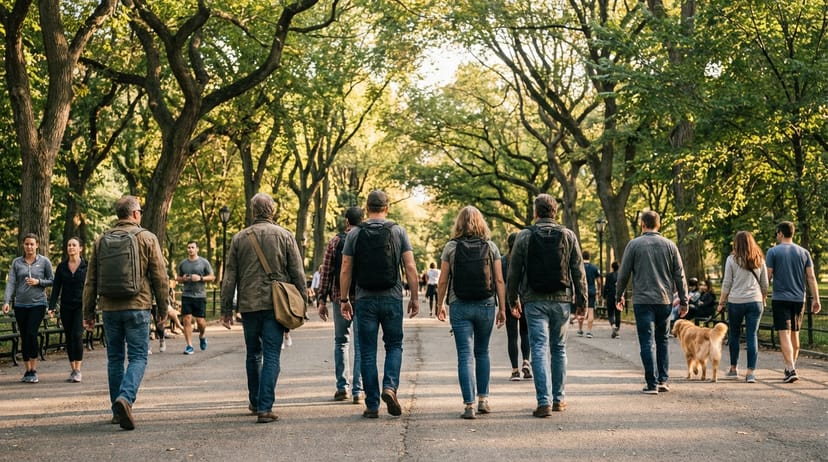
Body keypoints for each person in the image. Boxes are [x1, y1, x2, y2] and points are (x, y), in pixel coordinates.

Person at [220, 193, 307, 423]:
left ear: (252, 212)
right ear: (273, 211)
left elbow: (229, 276)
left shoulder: (239, 238)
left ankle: (255, 401)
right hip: (276, 304)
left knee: (252, 354)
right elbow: (297, 273)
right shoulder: (285, 236)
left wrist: (226, 308)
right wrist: (302, 303)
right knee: (271, 354)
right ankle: (265, 407)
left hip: (248, 305)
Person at [83, 196, 169, 430]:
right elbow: (160, 276)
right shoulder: (147, 238)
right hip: (138, 306)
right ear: (135, 214)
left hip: (109, 308)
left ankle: (116, 411)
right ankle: (125, 398)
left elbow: (91, 280)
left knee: (115, 359)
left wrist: (88, 312)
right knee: (139, 356)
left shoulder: (101, 240)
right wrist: (162, 308)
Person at [339, 190, 420, 419]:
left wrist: (344, 299)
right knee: (394, 345)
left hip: (364, 299)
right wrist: (414, 297)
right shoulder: (397, 231)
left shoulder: (355, 233)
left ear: (367, 207)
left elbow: (346, 267)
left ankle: (372, 404)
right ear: (387, 207)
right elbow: (411, 267)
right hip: (392, 297)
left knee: (366, 352)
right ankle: (390, 387)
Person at [506, 194, 587, 417]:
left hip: (534, 299)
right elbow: (578, 271)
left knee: (539, 348)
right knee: (559, 348)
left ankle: (543, 401)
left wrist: (512, 300)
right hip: (561, 299)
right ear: (554, 212)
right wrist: (582, 301)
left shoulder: (524, 236)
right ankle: (559, 400)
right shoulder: (568, 235)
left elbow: (514, 272)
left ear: (536, 212)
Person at [435, 206, 507, 419]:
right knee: (482, 352)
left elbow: (443, 280)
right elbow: (499, 280)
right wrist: (502, 308)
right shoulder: (491, 246)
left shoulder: (451, 247)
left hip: (459, 304)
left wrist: (439, 305)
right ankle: (484, 400)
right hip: (486, 304)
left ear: (458, 224)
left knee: (465, 355)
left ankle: (469, 405)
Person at [615, 210, 688, 395]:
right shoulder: (670, 246)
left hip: (642, 300)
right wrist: (684, 300)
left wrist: (619, 295)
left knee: (646, 341)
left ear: (642, 224)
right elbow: (680, 275)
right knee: (662, 339)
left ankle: (651, 383)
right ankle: (663, 379)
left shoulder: (634, 245)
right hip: (664, 300)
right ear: (659, 224)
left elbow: (623, 274)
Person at [316, 206, 365, 404]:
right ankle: (358, 391)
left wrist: (321, 299)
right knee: (361, 344)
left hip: (339, 297)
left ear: (347, 221)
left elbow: (326, 272)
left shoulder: (335, 241)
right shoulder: (365, 239)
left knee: (341, 341)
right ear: (362, 220)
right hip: (362, 297)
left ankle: (342, 387)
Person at [765, 221, 822, 383]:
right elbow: (811, 277)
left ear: (781, 233)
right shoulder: (804, 253)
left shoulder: (773, 252)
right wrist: (816, 299)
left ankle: (790, 368)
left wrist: (762, 294)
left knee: (783, 333)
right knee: (795, 334)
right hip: (799, 299)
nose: (776, 236)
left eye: (777, 234)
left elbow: (767, 277)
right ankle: (790, 367)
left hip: (780, 298)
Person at [3, 233, 54, 384]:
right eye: (27, 244)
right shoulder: (17, 263)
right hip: (20, 305)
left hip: (38, 304)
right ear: (23, 245)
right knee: (24, 336)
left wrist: (38, 281)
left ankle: (34, 369)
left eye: (32, 244)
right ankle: (27, 370)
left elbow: (52, 280)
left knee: (32, 333)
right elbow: (11, 283)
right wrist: (7, 301)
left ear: (37, 245)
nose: (29, 247)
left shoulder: (44, 262)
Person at [717, 231, 768, 383]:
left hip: (736, 301)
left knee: (734, 335)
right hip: (755, 301)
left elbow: (727, 283)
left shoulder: (732, 260)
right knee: (752, 335)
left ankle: (733, 368)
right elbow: (765, 284)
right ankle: (750, 372)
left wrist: (721, 302)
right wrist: (763, 299)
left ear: (736, 243)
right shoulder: (759, 259)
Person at [48, 237, 87, 383]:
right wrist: (51, 307)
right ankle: (73, 369)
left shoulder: (86, 266)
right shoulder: (62, 267)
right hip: (66, 306)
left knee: (77, 335)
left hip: (80, 306)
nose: (71, 247)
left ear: (80, 248)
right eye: (69, 245)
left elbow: (91, 287)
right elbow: (56, 288)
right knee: (69, 336)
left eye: (74, 245)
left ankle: (78, 369)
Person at [176, 241, 215, 355]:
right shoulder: (183, 263)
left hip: (199, 295)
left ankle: (202, 336)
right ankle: (189, 345)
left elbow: (212, 276)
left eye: (192, 247)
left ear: (197, 249)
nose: (190, 249)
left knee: (200, 321)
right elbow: (177, 278)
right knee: (186, 319)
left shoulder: (204, 262)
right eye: (188, 248)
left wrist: (200, 278)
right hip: (186, 295)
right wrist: (183, 278)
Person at [502, 232, 531, 380]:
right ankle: (526, 361)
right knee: (525, 333)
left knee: (512, 336)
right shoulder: (526, 258)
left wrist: (501, 304)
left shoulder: (503, 261)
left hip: (509, 301)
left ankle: (515, 370)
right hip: (526, 300)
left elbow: (500, 284)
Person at [578, 250, 601, 338]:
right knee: (591, 311)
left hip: (582, 291)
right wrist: (599, 290)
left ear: (582, 257)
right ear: (589, 257)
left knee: (581, 310)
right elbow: (598, 281)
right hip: (591, 291)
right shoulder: (594, 268)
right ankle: (589, 331)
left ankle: (580, 330)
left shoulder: (579, 267)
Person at [602, 261, 621, 338]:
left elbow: (606, 286)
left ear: (612, 267)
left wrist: (604, 296)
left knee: (610, 313)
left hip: (610, 296)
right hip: (618, 297)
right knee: (618, 313)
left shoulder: (608, 276)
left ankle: (613, 325)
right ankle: (617, 330)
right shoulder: (621, 275)